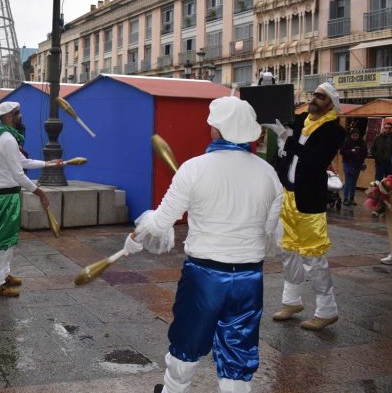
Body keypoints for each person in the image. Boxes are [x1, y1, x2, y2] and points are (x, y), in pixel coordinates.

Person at [125, 96, 282, 393]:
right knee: (239, 348)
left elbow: (160, 223)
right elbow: (268, 230)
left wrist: (135, 238)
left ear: (216, 129)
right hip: (250, 276)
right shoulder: (268, 173)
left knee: (187, 341)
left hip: (204, 275)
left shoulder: (194, 168)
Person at [266, 82, 346, 331]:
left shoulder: (334, 130)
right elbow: (286, 143)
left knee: (313, 256)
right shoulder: (301, 120)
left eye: (320, 97)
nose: (315, 99)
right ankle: (292, 301)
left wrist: (289, 142)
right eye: (314, 95)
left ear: (330, 103)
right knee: (288, 252)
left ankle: (326, 310)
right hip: (288, 196)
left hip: (309, 200)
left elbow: (316, 159)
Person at [0, 102, 62, 297]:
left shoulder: (5, 138)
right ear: (10, 117)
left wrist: (49, 163)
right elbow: (19, 174)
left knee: (9, 239)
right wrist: (41, 193)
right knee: (1, 241)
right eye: (17, 113)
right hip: (5, 197)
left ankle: (5, 274)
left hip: (9, 195)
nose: (21, 116)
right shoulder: (7, 140)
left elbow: (23, 162)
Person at [339, 128, 366, 206]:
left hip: (357, 164)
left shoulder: (362, 142)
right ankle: (345, 199)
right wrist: (351, 151)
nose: (355, 137)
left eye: (356, 136)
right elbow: (342, 152)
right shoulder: (347, 142)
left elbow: (364, 153)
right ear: (350, 135)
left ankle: (352, 199)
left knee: (354, 182)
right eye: (353, 136)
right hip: (348, 163)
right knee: (348, 181)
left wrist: (363, 162)